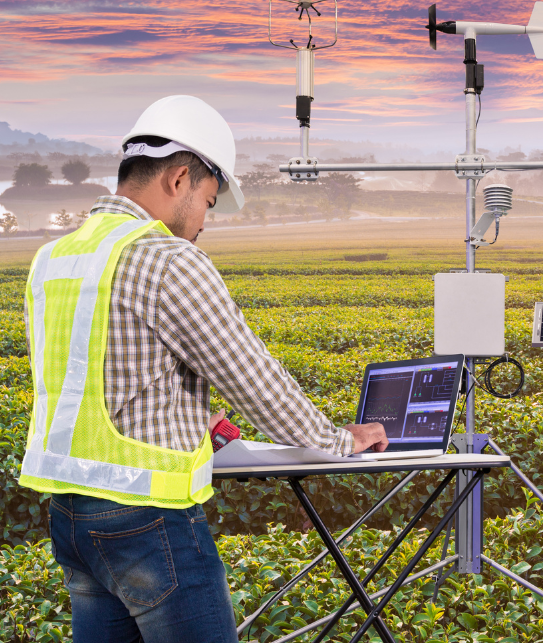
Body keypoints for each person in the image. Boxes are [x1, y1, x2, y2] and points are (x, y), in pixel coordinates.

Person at [18, 95, 387, 643]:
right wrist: (337, 439)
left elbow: (88, 377)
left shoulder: (54, 258)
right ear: (179, 178)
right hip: (147, 520)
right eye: (209, 203)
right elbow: (254, 378)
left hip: (73, 517)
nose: (204, 224)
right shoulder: (166, 258)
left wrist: (190, 412)